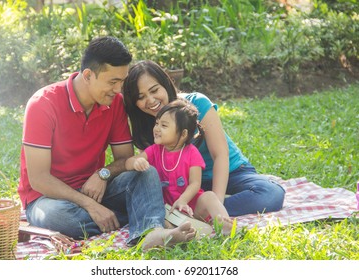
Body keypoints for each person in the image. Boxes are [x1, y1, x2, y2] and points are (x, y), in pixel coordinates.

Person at [18, 37, 195, 250]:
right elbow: (39, 179)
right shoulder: (43, 104)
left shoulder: (115, 103)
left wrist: (102, 174)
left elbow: (125, 160)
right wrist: (89, 205)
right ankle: (142, 217)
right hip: (48, 198)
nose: (119, 90)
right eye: (113, 82)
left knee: (145, 172)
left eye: (122, 81)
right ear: (88, 75)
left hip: (97, 190)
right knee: (60, 218)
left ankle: (151, 233)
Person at [122, 60, 285, 217]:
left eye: (154, 90)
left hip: (230, 172)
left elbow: (220, 154)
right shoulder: (148, 126)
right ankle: (196, 208)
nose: (150, 100)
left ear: (165, 83)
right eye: (141, 97)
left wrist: (217, 203)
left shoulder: (195, 104)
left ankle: (204, 209)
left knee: (271, 194)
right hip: (187, 185)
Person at [125, 99, 232, 234]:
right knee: (159, 220)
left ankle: (224, 222)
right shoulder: (154, 150)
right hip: (166, 210)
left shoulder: (192, 153)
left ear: (183, 134)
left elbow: (195, 183)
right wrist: (135, 163)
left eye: (164, 126)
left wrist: (183, 200)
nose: (157, 129)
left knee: (210, 196)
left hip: (191, 206)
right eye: (157, 123)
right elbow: (128, 163)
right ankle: (177, 231)